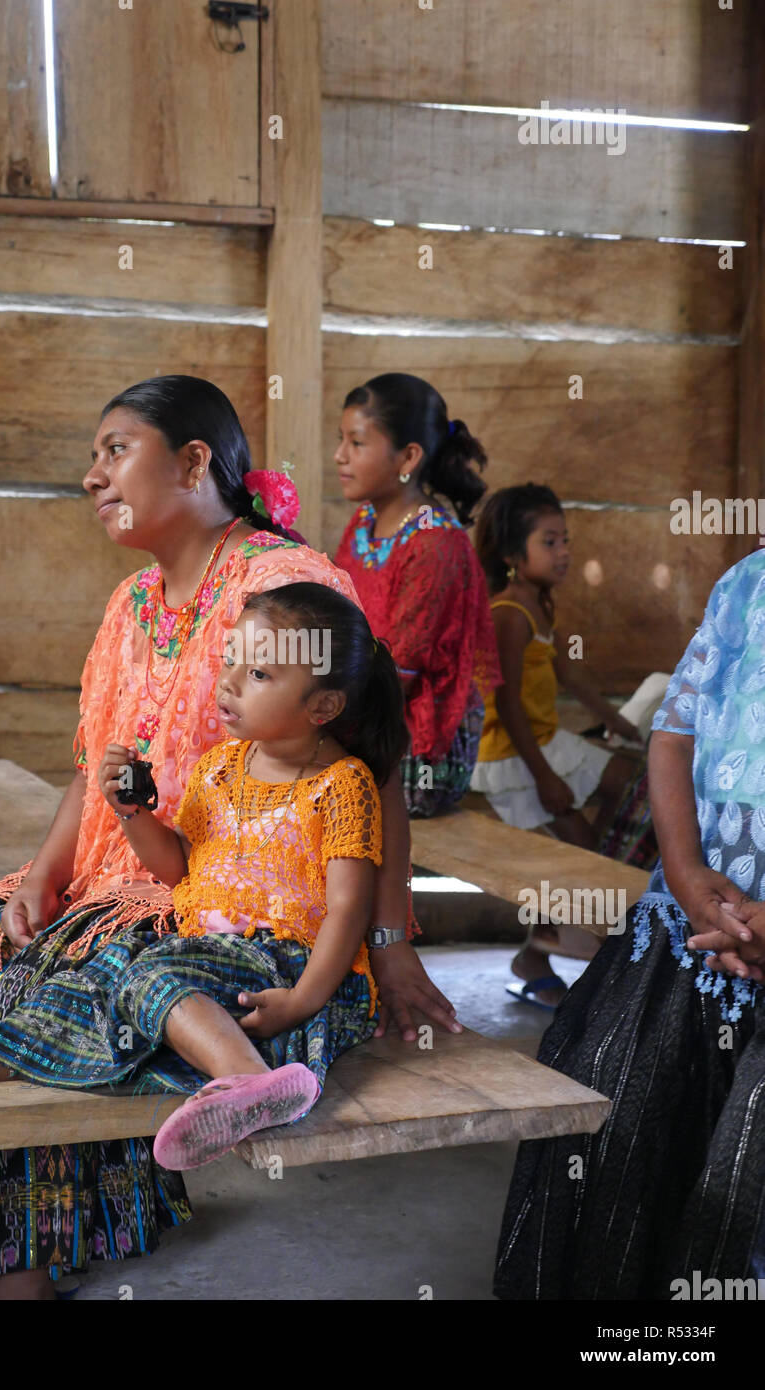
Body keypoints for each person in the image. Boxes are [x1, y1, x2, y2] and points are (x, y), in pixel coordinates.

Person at [0, 375, 457, 1301]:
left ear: (194, 462)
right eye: (95, 455)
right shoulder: (132, 602)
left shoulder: (283, 587)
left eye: (116, 450)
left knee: (45, 978)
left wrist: (388, 947)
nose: (92, 476)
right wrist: (42, 873)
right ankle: (28, 1238)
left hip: (213, 897)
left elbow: (376, 763)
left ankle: (16, 1270)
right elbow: (95, 764)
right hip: (133, 860)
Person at [0, 585, 409, 1174]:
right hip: (211, 957)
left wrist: (303, 1002)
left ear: (323, 706)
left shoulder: (343, 785)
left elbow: (347, 909)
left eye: (259, 675)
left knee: (150, 974)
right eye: (231, 661)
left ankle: (249, 1083)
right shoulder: (221, 769)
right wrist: (132, 813)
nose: (227, 682)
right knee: (80, 990)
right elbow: (179, 867)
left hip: (292, 969)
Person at [494, 548, 765, 1298]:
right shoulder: (748, 583)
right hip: (696, 921)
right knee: (611, 1113)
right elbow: (673, 734)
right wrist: (683, 873)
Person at [472, 484, 639, 1007]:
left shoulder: (538, 605)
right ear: (511, 555)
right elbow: (508, 705)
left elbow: (567, 672)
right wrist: (545, 776)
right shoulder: (507, 614)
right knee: (577, 857)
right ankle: (549, 949)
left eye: (565, 540)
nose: (564, 552)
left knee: (628, 781)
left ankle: (553, 940)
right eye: (550, 542)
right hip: (512, 752)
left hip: (545, 737)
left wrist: (617, 718)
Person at [333, 373, 501, 816]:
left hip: (418, 747)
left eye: (357, 443)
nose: (340, 456)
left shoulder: (435, 543)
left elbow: (398, 672)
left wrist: (318, 713)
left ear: (407, 456)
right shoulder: (364, 524)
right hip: (364, 715)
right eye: (341, 440)